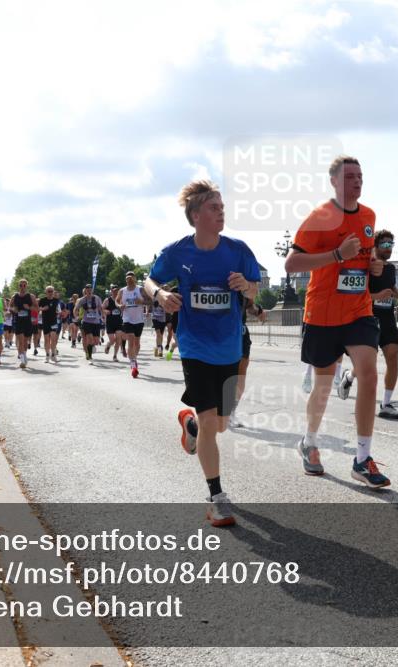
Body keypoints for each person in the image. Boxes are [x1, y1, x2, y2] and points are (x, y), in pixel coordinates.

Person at [144, 180, 260, 527]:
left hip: (229, 345)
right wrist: (161, 295)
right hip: (194, 345)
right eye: (213, 207)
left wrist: (246, 287)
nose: (221, 211)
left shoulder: (238, 250)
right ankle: (216, 496)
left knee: (218, 425)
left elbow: (255, 291)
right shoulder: (178, 252)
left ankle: (191, 424)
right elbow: (151, 280)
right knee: (213, 421)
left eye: (222, 206)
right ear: (195, 216)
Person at [285, 155, 390, 488]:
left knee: (370, 375)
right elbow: (291, 264)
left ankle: (362, 458)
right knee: (324, 386)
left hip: (358, 311)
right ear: (333, 181)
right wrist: (335, 256)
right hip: (323, 313)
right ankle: (310, 441)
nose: (357, 181)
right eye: (349, 177)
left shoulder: (369, 215)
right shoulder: (319, 217)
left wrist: (373, 265)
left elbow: (367, 256)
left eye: (360, 176)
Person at [369, 229, 398, 419]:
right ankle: (349, 377)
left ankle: (386, 404)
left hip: (388, 318)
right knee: (366, 364)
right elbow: (356, 294)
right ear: (375, 246)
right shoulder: (367, 267)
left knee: (392, 357)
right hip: (369, 318)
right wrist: (376, 297)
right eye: (384, 244)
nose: (388, 248)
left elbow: (391, 289)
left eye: (391, 244)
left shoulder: (391, 268)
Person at [228, 295, 267, 428]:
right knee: (223, 373)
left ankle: (231, 412)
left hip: (241, 332)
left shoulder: (243, 283)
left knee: (240, 374)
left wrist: (258, 311)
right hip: (220, 331)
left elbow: (250, 306)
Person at [117, 271, 148, 378]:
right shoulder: (122, 291)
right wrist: (119, 305)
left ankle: (134, 358)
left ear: (135, 279)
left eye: (131, 277)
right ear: (126, 280)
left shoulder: (140, 289)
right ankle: (133, 364)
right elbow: (116, 301)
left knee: (137, 344)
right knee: (131, 341)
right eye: (127, 278)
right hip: (127, 319)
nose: (129, 279)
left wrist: (142, 301)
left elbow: (150, 301)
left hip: (139, 320)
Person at [9, 279, 36, 369]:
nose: (22, 287)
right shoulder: (15, 296)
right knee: (20, 341)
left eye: (24, 285)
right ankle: (23, 360)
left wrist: (29, 307)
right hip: (18, 321)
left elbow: (37, 308)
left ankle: (24, 355)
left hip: (27, 321)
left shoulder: (31, 296)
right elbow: (10, 306)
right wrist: (14, 309)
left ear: (26, 286)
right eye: (21, 285)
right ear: (18, 286)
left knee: (25, 342)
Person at [75, 285, 103, 362]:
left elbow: (101, 308)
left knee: (96, 341)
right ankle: (89, 355)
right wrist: (76, 316)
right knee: (89, 338)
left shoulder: (97, 298)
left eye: (90, 289)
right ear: (85, 291)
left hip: (96, 321)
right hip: (86, 322)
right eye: (87, 290)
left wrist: (103, 317)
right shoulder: (82, 300)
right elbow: (76, 309)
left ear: (92, 290)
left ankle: (90, 347)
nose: (89, 291)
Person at [38, 286, 62, 362]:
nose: (50, 293)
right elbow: (37, 309)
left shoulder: (56, 300)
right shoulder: (42, 300)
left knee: (53, 339)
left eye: (51, 291)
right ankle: (47, 355)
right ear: (46, 292)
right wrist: (42, 309)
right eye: (49, 291)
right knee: (46, 339)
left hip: (54, 321)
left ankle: (53, 355)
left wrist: (59, 312)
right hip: (45, 322)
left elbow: (59, 310)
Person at [103, 286, 123, 361]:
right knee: (112, 340)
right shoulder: (107, 300)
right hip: (110, 323)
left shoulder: (120, 300)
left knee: (118, 340)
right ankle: (108, 345)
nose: (115, 292)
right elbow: (102, 308)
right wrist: (105, 311)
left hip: (118, 322)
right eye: (114, 291)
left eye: (117, 291)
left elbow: (124, 308)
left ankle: (115, 356)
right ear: (111, 291)